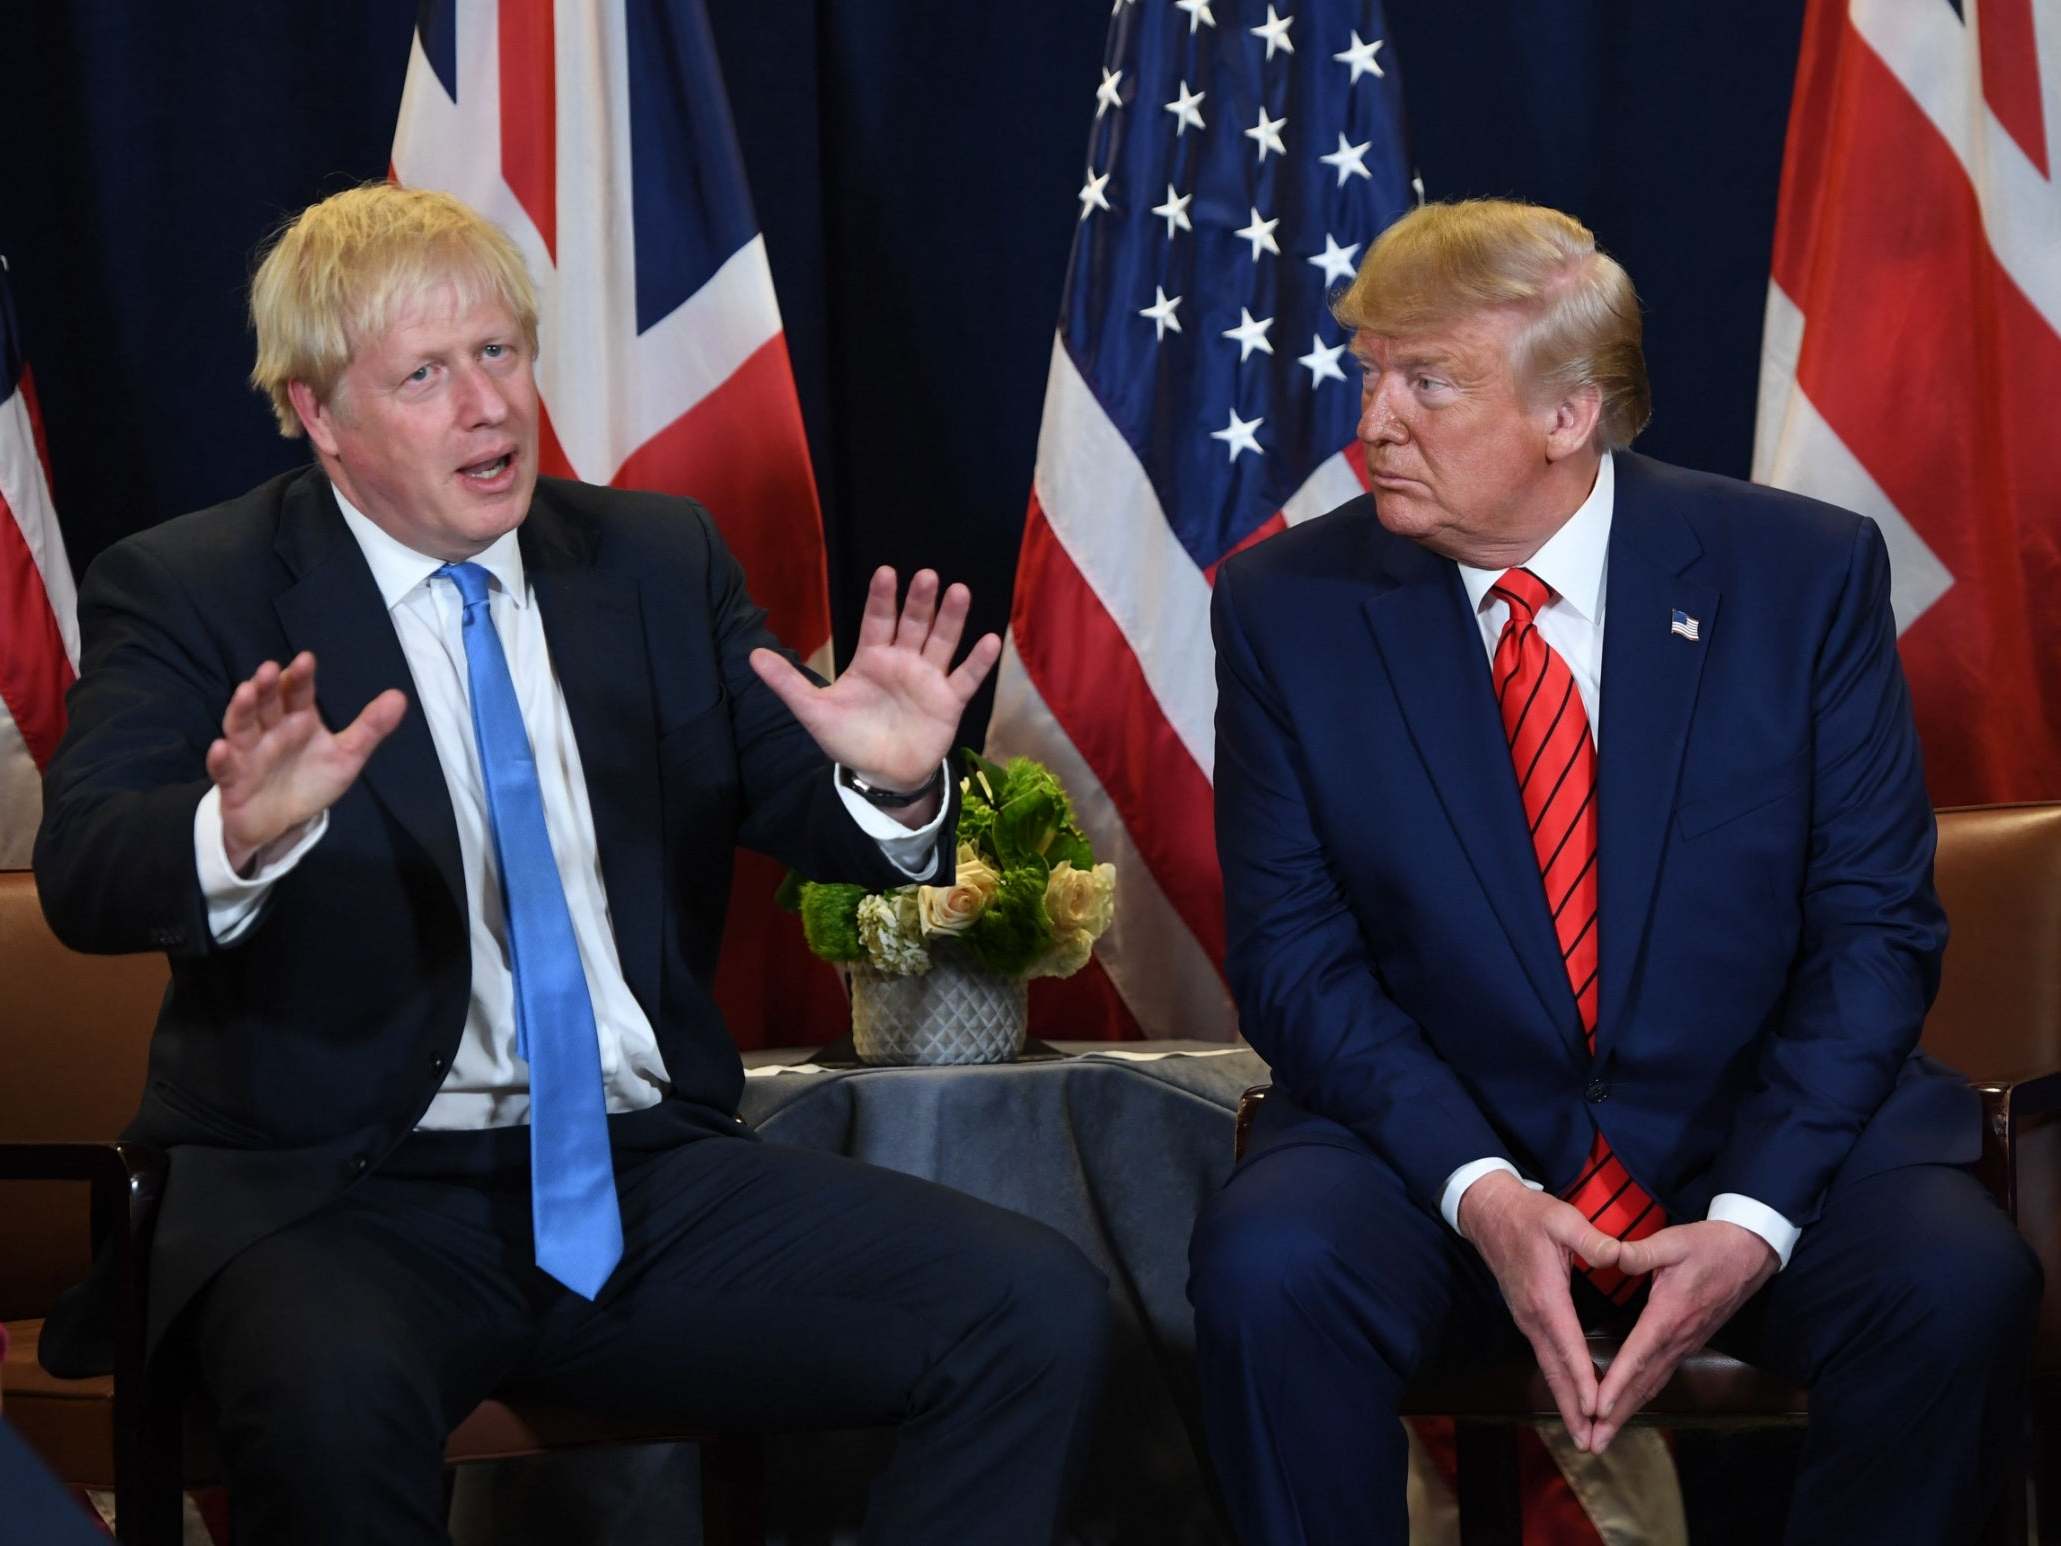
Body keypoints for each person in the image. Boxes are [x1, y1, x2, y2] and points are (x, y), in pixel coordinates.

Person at [33, 183, 1110, 1546]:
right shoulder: (194, 585)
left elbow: (808, 808)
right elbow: (84, 867)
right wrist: (236, 831)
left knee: (1034, 1309)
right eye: (425, 374)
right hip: (341, 1198)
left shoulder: (653, 562)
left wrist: (891, 775)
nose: (489, 406)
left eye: (500, 353)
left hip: (642, 1175)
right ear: (318, 413)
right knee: (328, 1403)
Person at [1188, 199, 2039, 1545]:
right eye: (1369, 377)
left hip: (1755, 1145)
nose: (1374, 423)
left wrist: (1753, 1216)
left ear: (1567, 413)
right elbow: (1296, 962)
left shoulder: (1798, 577)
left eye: (1427, 383)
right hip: (1446, 1155)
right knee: (1270, 1266)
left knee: (1950, 1281)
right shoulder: (1285, 609)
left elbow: (1873, 932)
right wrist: (1482, 1190)